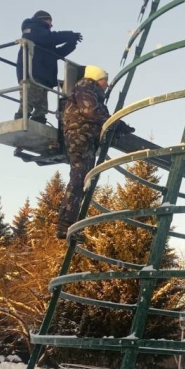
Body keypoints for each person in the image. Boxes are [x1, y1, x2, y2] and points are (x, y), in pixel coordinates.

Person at [56, 66, 132, 239]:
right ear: (98, 79)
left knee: (83, 180)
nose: (106, 84)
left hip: (85, 137)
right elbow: (90, 111)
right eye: (105, 80)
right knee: (79, 178)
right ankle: (65, 224)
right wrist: (114, 123)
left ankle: (70, 224)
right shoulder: (86, 87)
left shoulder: (90, 91)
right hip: (80, 136)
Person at [15, 11, 82, 124]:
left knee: (42, 105)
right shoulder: (32, 28)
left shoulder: (44, 37)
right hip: (33, 73)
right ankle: (21, 119)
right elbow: (48, 38)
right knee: (29, 99)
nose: (51, 25)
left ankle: (39, 119)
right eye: (50, 21)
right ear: (43, 19)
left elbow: (55, 54)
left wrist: (71, 43)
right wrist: (70, 35)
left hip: (43, 75)